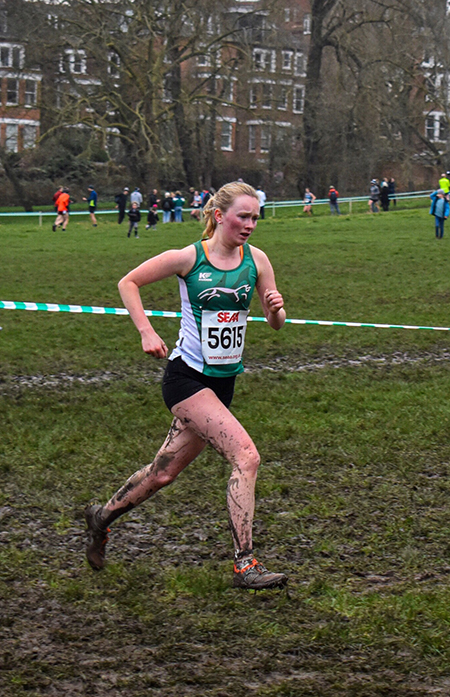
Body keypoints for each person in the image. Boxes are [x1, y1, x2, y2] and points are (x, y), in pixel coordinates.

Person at [84, 181, 288, 590]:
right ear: (219, 216)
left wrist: (274, 311)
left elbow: (275, 323)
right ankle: (245, 564)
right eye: (243, 217)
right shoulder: (189, 258)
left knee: (162, 473)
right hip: (186, 380)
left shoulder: (257, 260)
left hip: (223, 384)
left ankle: (101, 518)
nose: (250, 225)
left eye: (255, 218)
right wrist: (146, 331)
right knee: (246, 456)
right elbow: (128, 283)